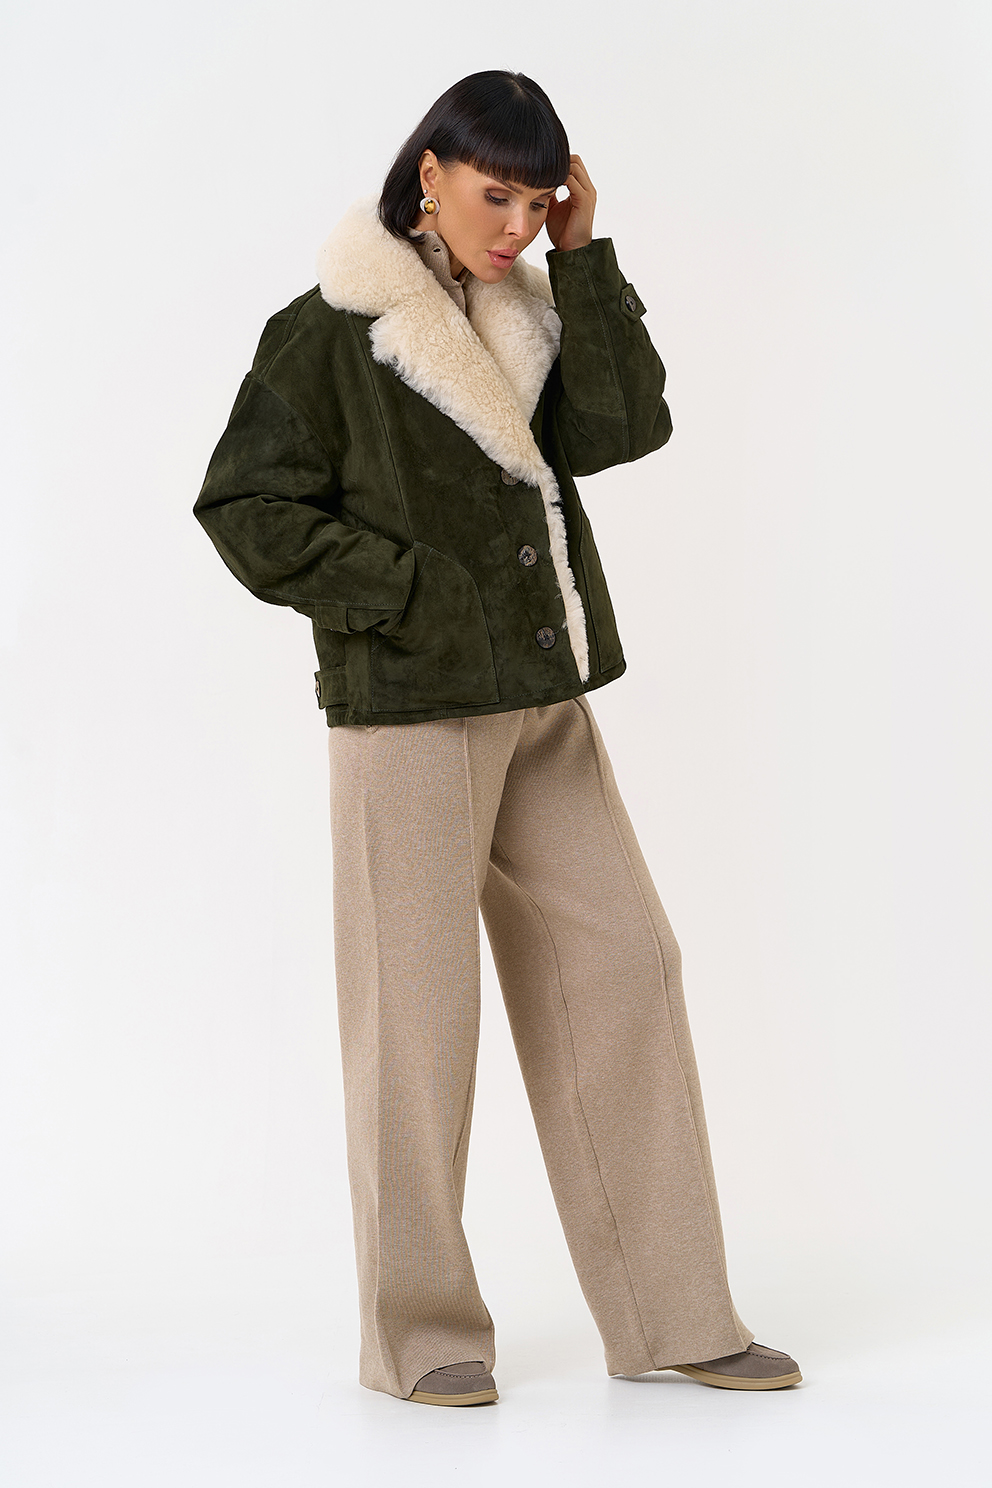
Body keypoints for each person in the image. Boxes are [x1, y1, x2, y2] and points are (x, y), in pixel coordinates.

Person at [194, 70, 801, 1405]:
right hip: (411, 713)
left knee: (628, 964)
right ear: (431, 173)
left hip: (541, 697)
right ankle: (419, 1336)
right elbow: (243, 505)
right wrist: (410, 596)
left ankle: (673, 1314)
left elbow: (627, 429)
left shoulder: (528, 301)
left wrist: (584, 259)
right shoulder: (330, 329)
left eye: (539, 199)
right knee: (416, 1024)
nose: (517, 222)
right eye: (497, 195)